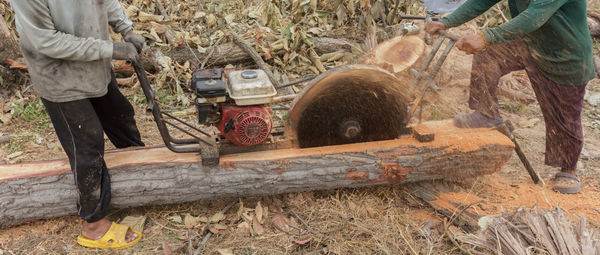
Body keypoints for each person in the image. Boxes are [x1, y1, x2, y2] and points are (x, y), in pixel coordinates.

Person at [10, 0, 146, 249]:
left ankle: (143, 179)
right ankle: (94, 226)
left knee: (121, 116)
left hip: (94, 67)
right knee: (87, 142)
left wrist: (126, 29)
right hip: (59, 76)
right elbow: (46, 41)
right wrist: (110, 49)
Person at [425, 0, 594, 194]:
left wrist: (485, 36)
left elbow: (533, 17)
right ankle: (486, 114)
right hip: (532, 42)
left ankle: (568, 169)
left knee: (564, 117)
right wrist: (447, 21)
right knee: (489, 53)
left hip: (566, 55)